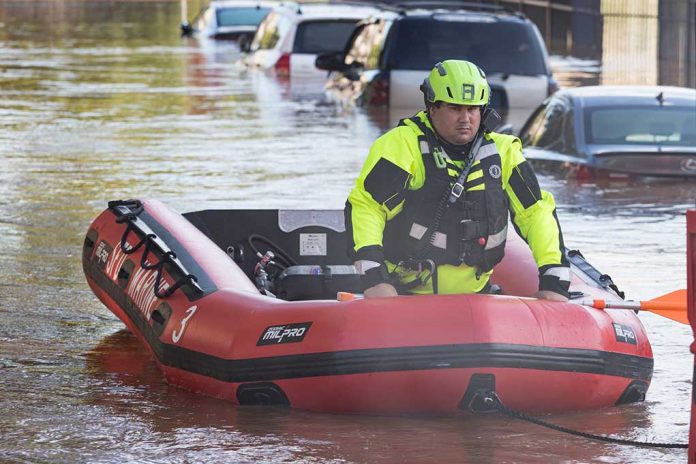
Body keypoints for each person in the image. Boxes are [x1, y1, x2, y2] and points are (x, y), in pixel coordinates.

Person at [344, 59, 570, 301]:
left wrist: (554, 279)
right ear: (432, 108)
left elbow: (535, 213)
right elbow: (367, 207)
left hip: (477, 300)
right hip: (406, 296)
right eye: (455, 108)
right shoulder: (402, 145)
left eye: (472, 109)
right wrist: (375, 279)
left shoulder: (503, 152)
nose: (466, 119)